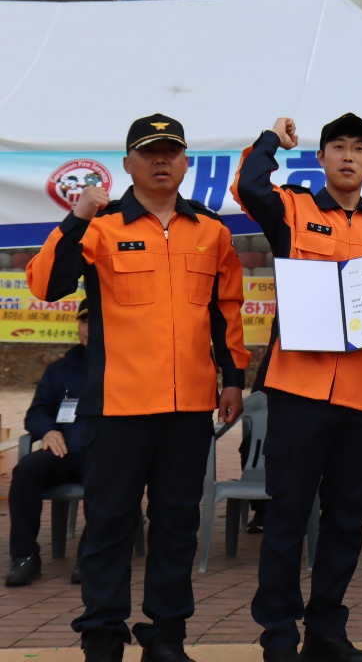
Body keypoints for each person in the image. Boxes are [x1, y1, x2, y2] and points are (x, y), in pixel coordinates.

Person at [26, 113, 248, 662]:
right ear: (128, 163)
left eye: (171, 151)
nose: (161, 160)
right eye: (149, 152)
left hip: (188, 408)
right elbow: (46, 284)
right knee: (109, 524)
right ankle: (102, 635)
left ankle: (166, 636)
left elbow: (225, 312)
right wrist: (76, 218)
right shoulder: (101, 226)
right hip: (116, 407)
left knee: (177, 524)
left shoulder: (211, 230)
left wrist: (234, 378)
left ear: (186, 162)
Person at [232, 114, 362, 662]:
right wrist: (272, 140)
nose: (348, 156)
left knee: (347, 521)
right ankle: (278, 636)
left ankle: (326, 631)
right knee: (287, 516)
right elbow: (249, 186)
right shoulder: (293, 210)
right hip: (298, 393)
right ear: (321, 157)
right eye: (338, 146)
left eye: (359, 149)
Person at [6, 297, 91, 588]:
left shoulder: (125, 368)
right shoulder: (60, 370)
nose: (89, 329)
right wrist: (48, 431)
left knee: (110, 478)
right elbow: (37, 411)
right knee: (26, 470)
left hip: (103, 454)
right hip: (62, 451)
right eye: (84, 322)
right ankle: (25, 557)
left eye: (97, 323)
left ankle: (91, 558)